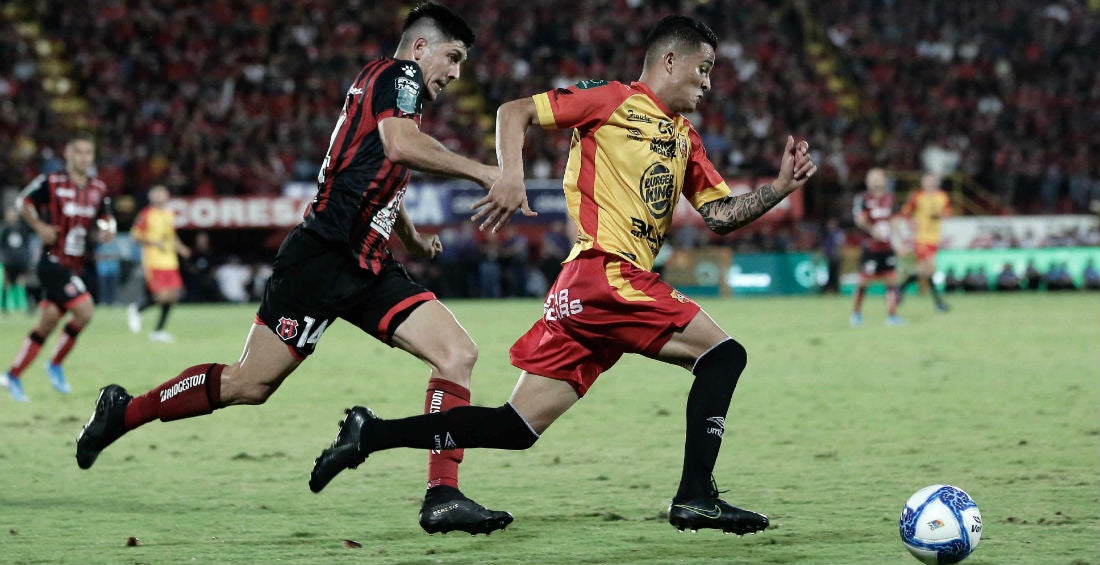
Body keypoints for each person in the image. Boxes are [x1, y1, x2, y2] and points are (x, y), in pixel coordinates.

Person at [308, 15, 817, 535]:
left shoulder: (685, 138)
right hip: (605, 273)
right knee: (723, 356)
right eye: (703, 69)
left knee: (516, 426)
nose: (708, 83)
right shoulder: (611, 99)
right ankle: (695, 497)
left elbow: (720, 215)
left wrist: (778, 189)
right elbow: (515, 110)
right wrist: (510, 175)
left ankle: (369, 435)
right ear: (670, 61)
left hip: (590, 294)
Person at [75, 3, 512, 536]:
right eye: (453, 57)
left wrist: (411, 237)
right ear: (420, 48)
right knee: (248, 385)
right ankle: (123, 412)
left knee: (457, 354)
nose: (456, 73)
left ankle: (442, 494)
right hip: (321, 260)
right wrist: (485, 172)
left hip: (369, 265)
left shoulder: (387, 88)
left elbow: (380, 169)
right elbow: (401, 147)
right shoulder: (399, 76)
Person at [2, 132, 116, 402]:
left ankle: (12, 375)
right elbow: (23, 202)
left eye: (88, 153)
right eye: (78, 152)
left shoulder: (98, 188)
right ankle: (54, 364)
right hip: (52, 261)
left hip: (76, 264)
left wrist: (108, 230)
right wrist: (40, 226)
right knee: (85, 311)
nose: (83, 158)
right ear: (68, 154)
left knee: (47, 323)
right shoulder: (52, 182)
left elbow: (107, 218)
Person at [127, 184, 191, 343]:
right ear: (151, 197)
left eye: (163, 193)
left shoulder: (169, 215)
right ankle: (137, 309)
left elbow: (172, 237)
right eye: (158, 194)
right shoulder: (146, 214)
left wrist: (181, 248)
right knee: (162, 296)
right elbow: (134, 236)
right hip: (154, 261)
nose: (161, 196)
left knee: (174, 295)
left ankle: (158, 332)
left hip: (171, 261)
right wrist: (154, 243)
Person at [850, 167, 902, 326]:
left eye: (879, 178)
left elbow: (894, 222)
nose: (876, 181)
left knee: (892, 280)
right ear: (867, 181)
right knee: (864, 281)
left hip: (887, 247)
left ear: (884, 181)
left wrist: (899, 242)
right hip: (871, 247)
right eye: (872, 178)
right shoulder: (863, 199)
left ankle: (892, 316)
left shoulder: (890, 199)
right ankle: (856, 314)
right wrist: (873, 230)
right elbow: (859, 220)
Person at [898, 172, 951, 311]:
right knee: (930, 269)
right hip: (921, 238)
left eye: (932, 181)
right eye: (927, 181)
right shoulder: (918, 197)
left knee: (924, 271)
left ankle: (900, 289)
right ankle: (938, 303)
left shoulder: (942, 196)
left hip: (934, 238)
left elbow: (947, 212)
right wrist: (911, 222)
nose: (930, 183)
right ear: (923, 183)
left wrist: (941, 215)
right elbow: (905, 212)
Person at [1, 206, 35, 314]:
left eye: (13, 214)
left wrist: (27, 257)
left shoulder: (22, 229)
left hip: (20, 260)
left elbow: (27, 244)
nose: (11, 216)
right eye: (9, 214)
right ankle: (5, 305)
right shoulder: (4, 229)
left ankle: (21, 305)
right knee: (7, 283)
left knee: (21, 282)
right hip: (8, 260)